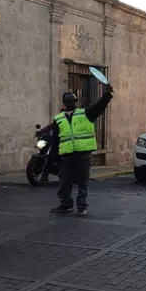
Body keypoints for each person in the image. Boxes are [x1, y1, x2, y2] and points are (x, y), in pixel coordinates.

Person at [41, 86, 114, 216]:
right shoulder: (59, 118)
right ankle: (65, 204)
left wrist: (107, 95)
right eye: (67, 101)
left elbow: (99, 106)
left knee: (82, 182)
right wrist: (54, 157)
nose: (69, 103)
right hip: (66, 156)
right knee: (64, 182)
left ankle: (82, 206)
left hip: (82, 154)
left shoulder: (85, 113)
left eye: (71, 100)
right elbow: (55, 138)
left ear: (75, 101)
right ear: (64, 102)